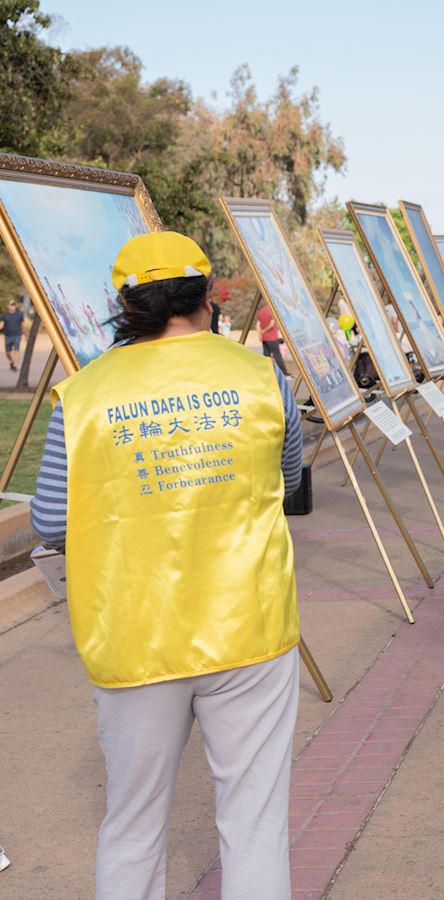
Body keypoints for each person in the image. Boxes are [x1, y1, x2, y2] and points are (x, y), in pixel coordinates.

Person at [29, 232, 304, 897]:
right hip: (249, 626)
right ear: (207, 296)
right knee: (255, 823)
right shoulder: (262, 378)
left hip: (133, 636)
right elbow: (289, 481)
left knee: (132, 825)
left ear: (125, 305)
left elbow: (49, 521)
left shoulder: (84, 395)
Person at [254, 304, 288, 375]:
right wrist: (264, 330)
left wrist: (260, 334)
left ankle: (265, 372)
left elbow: (257, 324)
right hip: (272, 338)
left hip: (264, 338)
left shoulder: (261, 311)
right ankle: (284, 373)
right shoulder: (272, 310)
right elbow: (272, 324)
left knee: (266, 356)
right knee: (277, 356)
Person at [2, 300, 27, 371]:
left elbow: (23, 325)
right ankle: (12, 361)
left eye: (14, 305)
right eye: (11, 305)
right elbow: (2, 324)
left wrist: (25, 334)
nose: (13, 306)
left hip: (17, 335)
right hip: (7, 336)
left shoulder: (19, 314)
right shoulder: (5, 315)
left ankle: (15, 365)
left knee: (16, 350)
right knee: (7, 353)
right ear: (8, 306)